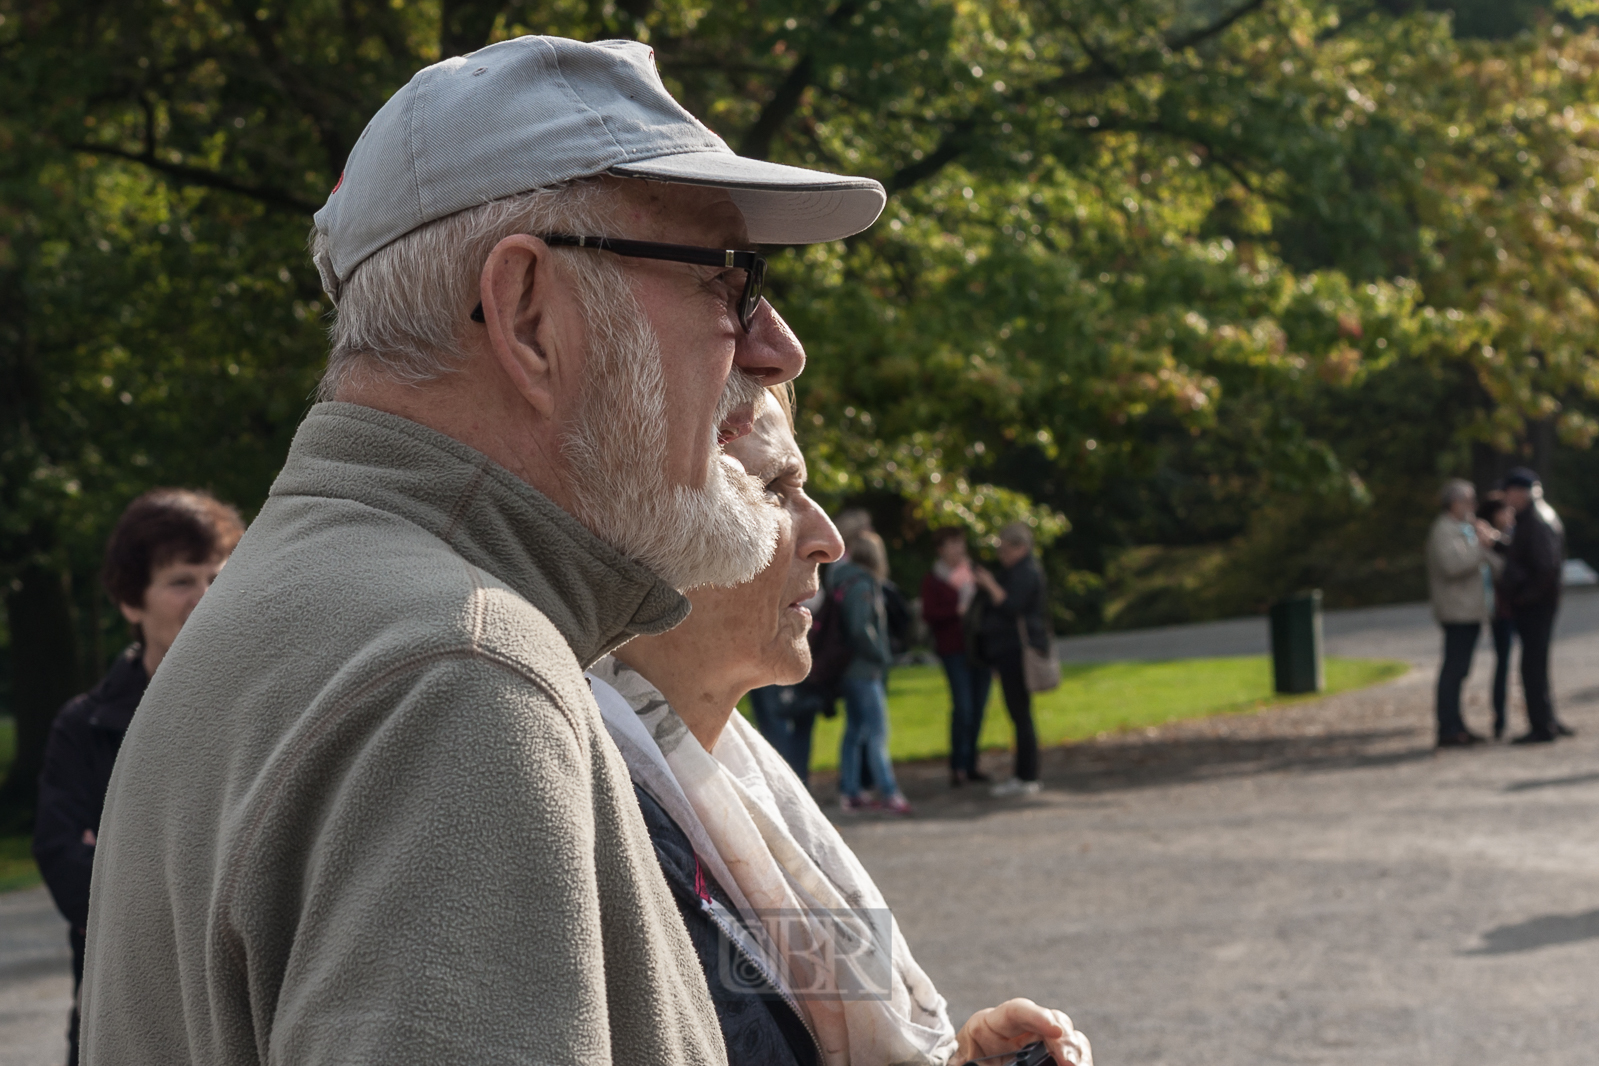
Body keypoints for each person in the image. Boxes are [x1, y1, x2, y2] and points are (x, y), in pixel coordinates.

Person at [80, 35, 886, 1066]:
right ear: (528, 313)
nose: (777, 347)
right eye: (728, 279)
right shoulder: (460, 675)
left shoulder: (317, 605)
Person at [588, 389, 1093, 1066]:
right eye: (771, 488)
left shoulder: (743, 785)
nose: (827, 539)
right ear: (632, 536)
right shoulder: (581, 816)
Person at [32, 489, 243, 1066]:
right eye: (181, 581)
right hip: (123, 1022)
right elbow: (63, 863)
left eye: (217, 578)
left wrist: (127, 858)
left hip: (243, 1026)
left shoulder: (262, 710)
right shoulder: (83, 727)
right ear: (131, 601)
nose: (205, 598)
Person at [831, 530, 911, 814]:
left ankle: (851, 790)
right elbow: (860, 627)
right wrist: (882, 654)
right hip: (864, 669)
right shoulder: (862, 584)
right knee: (877, 732)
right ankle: (889, 791)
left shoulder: (841, 578)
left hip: (847, 668)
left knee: (855, 732)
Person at [972, 523, 1049, 797]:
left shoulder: (1026, 572)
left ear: (1021, 548)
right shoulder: (1016, 571)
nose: (1001, 555)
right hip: (1006, 652)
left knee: (1021, 714)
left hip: (1017, 651)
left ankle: (1027, 775)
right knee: (1018, 714)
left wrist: (990, 585)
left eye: (1005, 549)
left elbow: (1012, 605)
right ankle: (1023, 774)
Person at [1424, 479, 1503, 748]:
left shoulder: (1464, 528)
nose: (1474, 507)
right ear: (1455, 503)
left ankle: (1457, 724)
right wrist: (1481, 547)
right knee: (1453, 670)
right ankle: (1448, 728)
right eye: (1470, 501)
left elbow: (1493, 563)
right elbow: (1452, 565)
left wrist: (1495, 545)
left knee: (1461, 670)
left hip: (1470, 611)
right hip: (1456, 611)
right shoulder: (1443, 530)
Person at [1495, 467, 1570, 744]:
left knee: (1532, 665)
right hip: (1540, 601)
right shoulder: (1538, 515)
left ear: (1519, 492)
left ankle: (1541, 725)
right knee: (1537, 662)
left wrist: (1524, 596)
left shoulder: (1534, 519)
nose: (1505, 498)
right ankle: (1547, 718)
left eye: (1507, 492)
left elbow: (1545, 566)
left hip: (1535, 604)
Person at [921, 527, 992, 787]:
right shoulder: (934, 579)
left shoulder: (974, 573)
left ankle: (972, 762)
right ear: (941, 549)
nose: (958, 549)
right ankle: (958, 765)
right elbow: (930, 614)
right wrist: (957, 611)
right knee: (963, 707)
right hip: (953, 649)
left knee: (979, 707)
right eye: (952, 544)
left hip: (980, 649)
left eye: (960, 543)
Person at [1477, 490, 1518, 739]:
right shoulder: (1486, 542)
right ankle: (1500, 719)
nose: (1511, 515)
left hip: (1516, 608)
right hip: (1501, 610)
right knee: (1503, 664)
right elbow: (1501, 570)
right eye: (1506, 511)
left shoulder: (1510, 536)